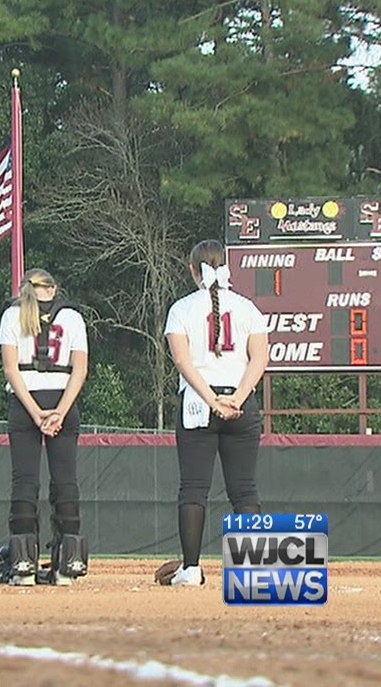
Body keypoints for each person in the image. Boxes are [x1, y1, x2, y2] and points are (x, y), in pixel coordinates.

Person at [161, 239, 269, 587]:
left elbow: (183, 361)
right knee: (245, 490)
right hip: (241, 404)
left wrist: (211, 400)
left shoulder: (181, 309)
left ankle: (191, 569)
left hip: (197, 404)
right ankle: (252, 572)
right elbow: (260, 359)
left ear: (194, 270)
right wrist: (236, 398)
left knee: (193, 488)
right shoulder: (248, 308)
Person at [0, 268, 90, 587]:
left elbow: (11, 369)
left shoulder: (13, 314)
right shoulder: (73, 317)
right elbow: (80, 369)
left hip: (26, 404)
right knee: (65, 481)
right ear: (52, 289)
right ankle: (68, 562)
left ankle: (23, 562)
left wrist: (36, 414)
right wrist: (60, 412)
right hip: (63, 397)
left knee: (24, 481)